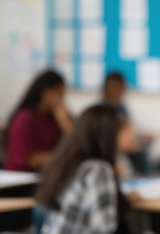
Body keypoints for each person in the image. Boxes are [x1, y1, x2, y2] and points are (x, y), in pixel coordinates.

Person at [35, 105, 133, 234]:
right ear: (108, 134)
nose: (130, 130)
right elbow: (104, 229)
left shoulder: (74, 164)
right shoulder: (99, 169)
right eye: (123, 127)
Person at [3, 70, 73, 172]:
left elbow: (76, 144)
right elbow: (24, 160)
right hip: (22, 177)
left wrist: (65, 122)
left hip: (44, 175)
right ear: (45, 92)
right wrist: (60, 156)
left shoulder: (53, 119)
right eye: (59, 94)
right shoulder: (24, 118)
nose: (61, 100)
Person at [100, 71, 152, 175]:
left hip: (123, 146)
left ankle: (146, 178)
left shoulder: (122, 107)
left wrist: (139, 137)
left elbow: (128, 128)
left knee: (141, 151)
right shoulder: (100, 110)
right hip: (109, 146)